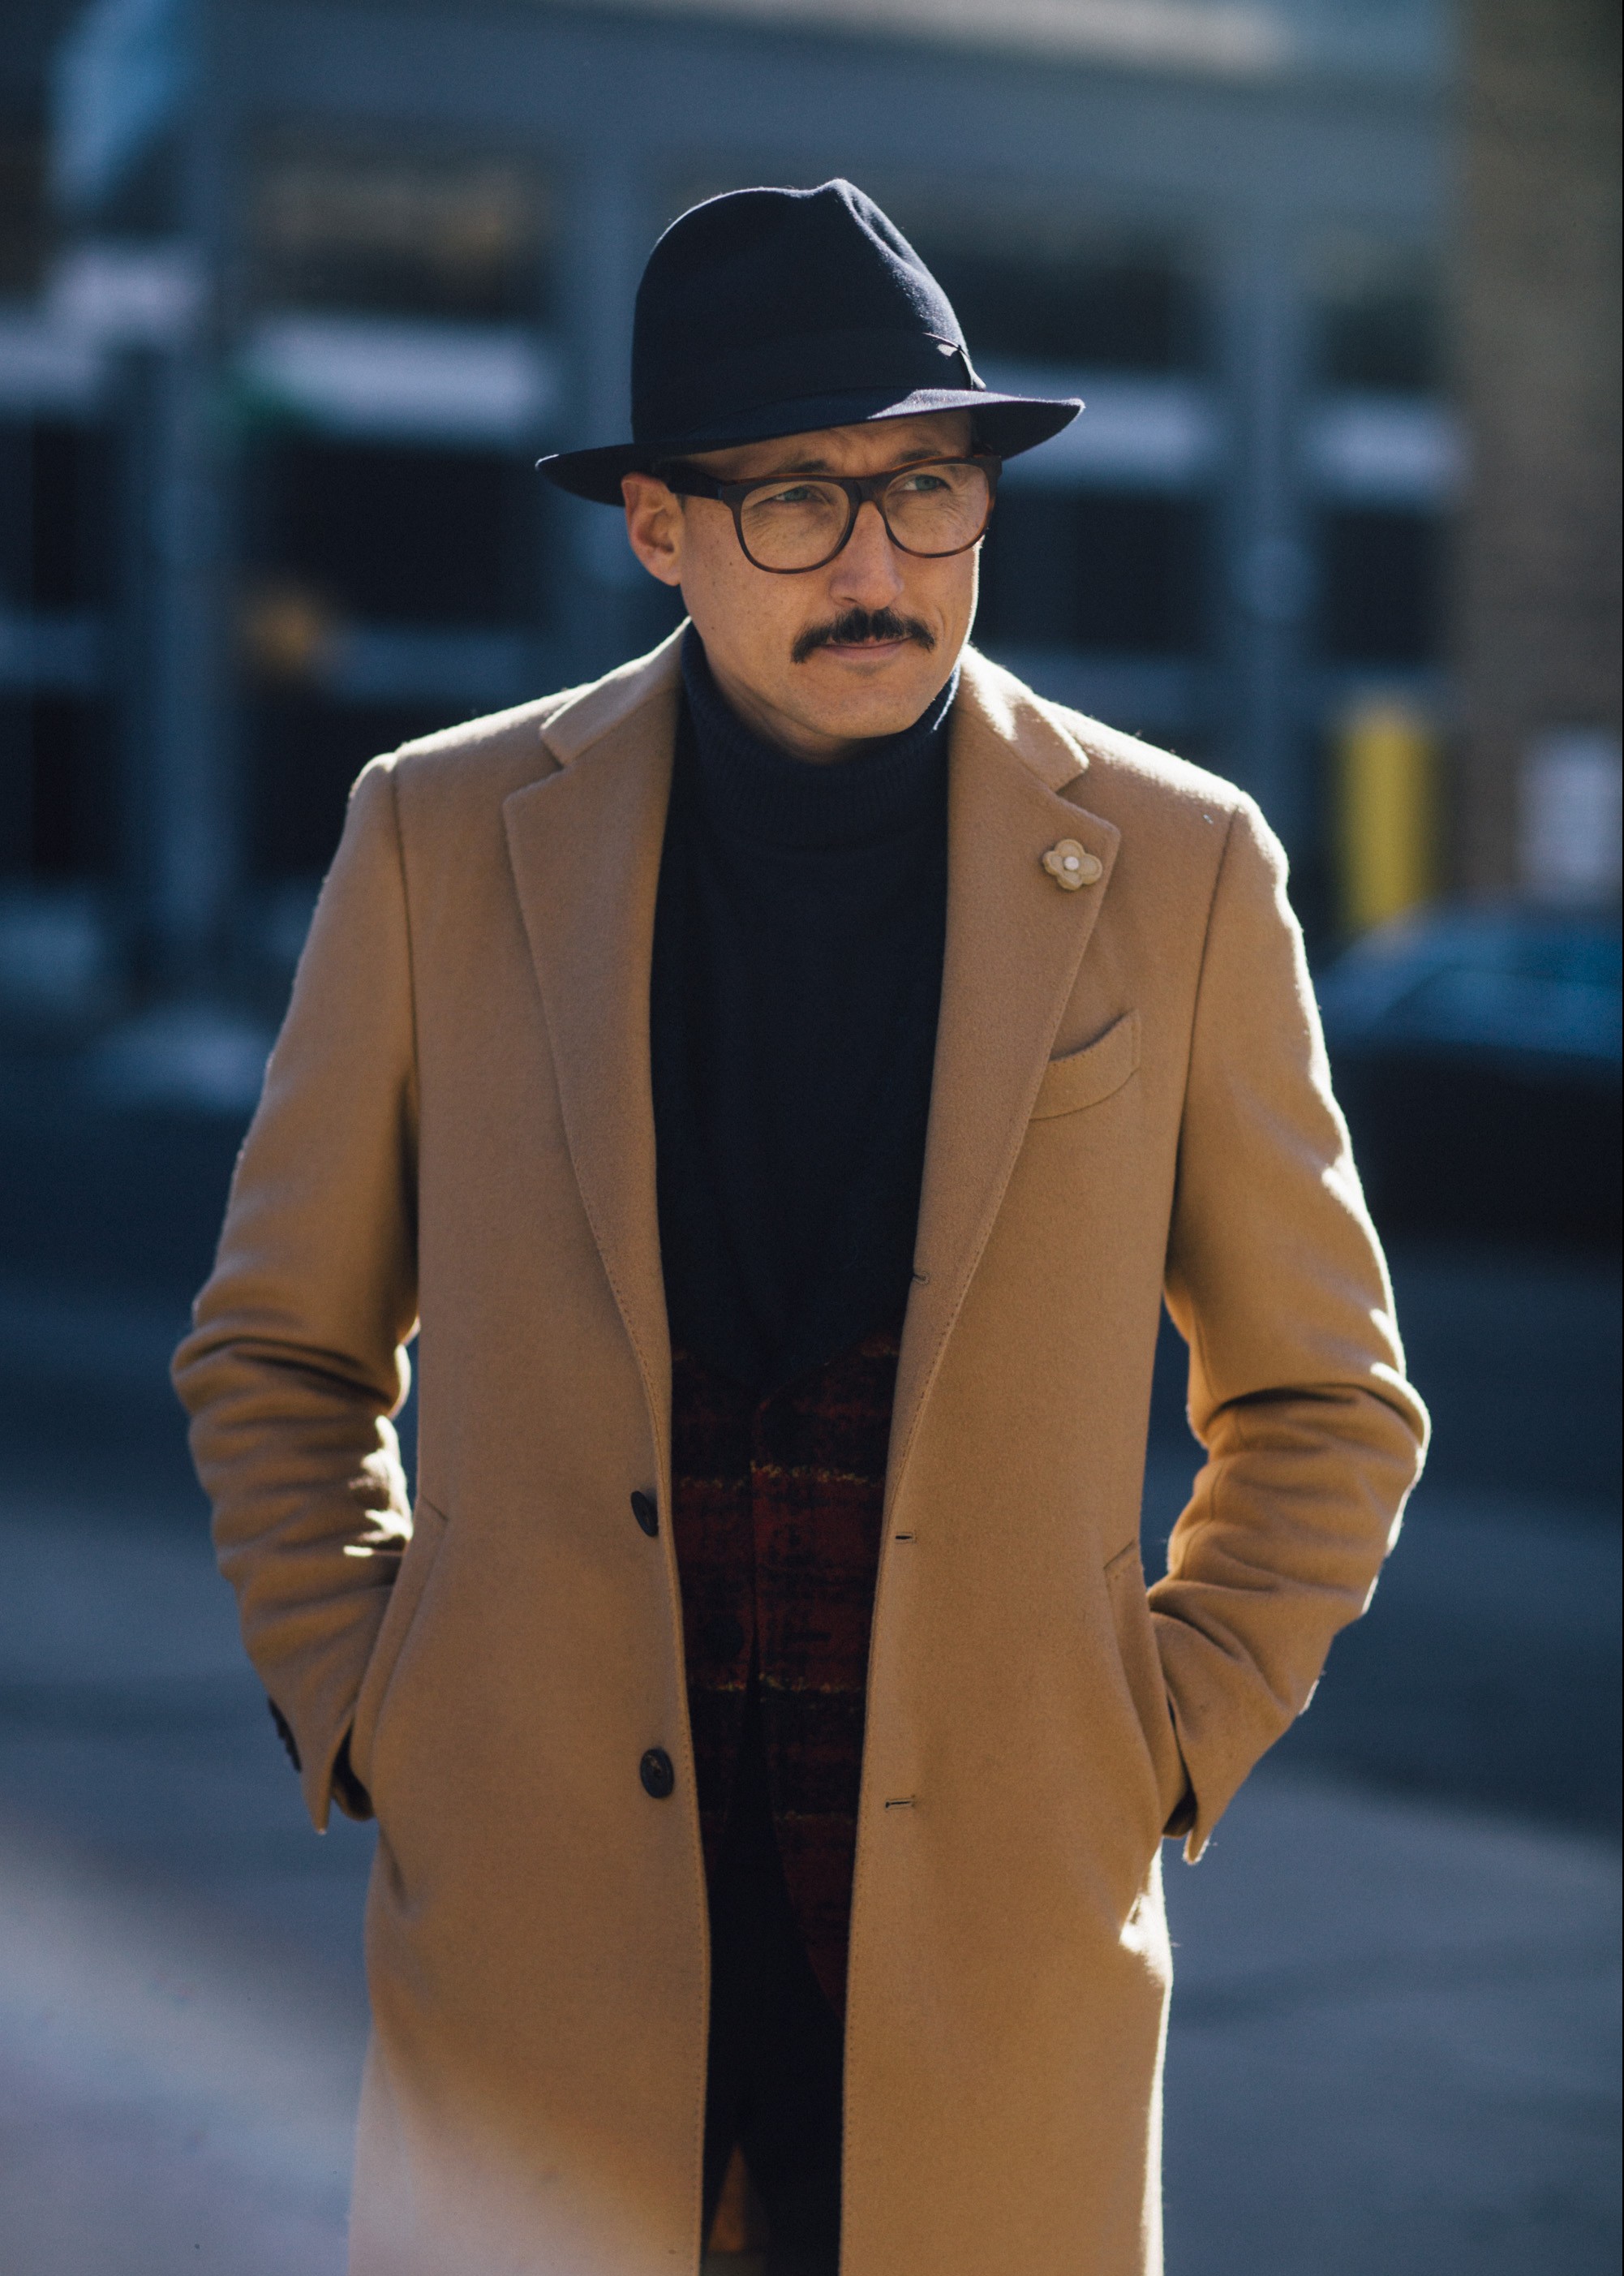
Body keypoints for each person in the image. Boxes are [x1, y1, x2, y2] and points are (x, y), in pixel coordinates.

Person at [174, 180, 1428, 2276]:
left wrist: (1161, 1732)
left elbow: (1323, 1397)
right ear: (656, 526)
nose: (874, 562)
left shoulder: (1178, 865)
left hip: (988, 1937)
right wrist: (374, 1693)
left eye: (923, 491)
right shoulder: (437, 836)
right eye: (792, 503)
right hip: (543, 1928)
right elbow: (279, 1352)